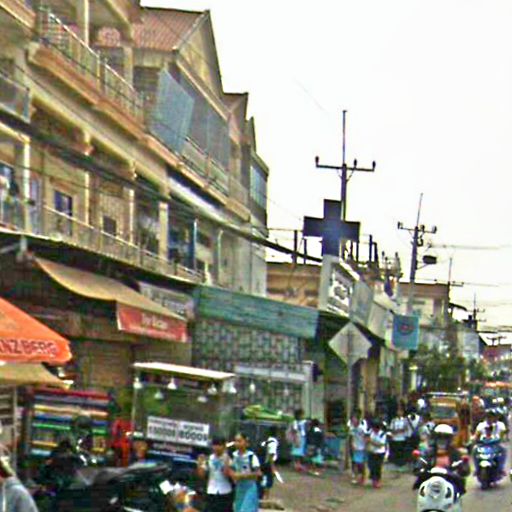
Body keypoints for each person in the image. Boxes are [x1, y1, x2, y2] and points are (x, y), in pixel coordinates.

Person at [415, 424, 469, 496]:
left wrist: (464, 468)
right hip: (430, 479)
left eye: (445, 438)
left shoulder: (455, 453)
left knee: (457, 488)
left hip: (449, 479)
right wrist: (418, 467)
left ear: (449, 439)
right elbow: (423, 460)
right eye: (439, 437)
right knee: (422, 490)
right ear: (435, 438)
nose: (442, 440)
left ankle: (455, 500)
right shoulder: (429, 452)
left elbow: (462, 465)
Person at [197, 437, 233, 512]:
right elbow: (201, 475)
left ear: (224, 446)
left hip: (225, 491)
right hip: (211, 490)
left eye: (219, 445)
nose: (217, 448)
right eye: (215, 445)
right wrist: (200, 464)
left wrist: (226, 460)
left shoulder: (229, 459)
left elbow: (227, 474)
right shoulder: (209, 459)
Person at [230, 433, 261, 512]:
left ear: (246, 442)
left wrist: (243, 476)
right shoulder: (234, 455)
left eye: (239, 441)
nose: (237, 443)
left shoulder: (251, 456)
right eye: (236, 441)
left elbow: (258, 473)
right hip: (239, 488)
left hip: (249, 488)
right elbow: (232, 469)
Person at [474, 409, 507, 476]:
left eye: (492, 416)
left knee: (504, 449)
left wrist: (503, 438)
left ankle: (501, 469)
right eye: (488, 416)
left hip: (496, 444)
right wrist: (475, 439)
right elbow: (476, 435)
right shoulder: (481, 425)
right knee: (474, 449)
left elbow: (503, 435)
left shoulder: (500, 425)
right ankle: (477, 469)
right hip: (483, 445)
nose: (490, 418)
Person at [366, 419, 387, 489]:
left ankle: (378, 481)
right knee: (371, 466)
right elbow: (366, 437)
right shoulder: (370, 432)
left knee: (377, 467)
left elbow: (381, 444)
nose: (374, 430)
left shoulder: (382, 434)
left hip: (380, 453)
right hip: (371, 452)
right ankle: (373, 479)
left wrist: (371, 441)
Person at [348, 411, 368, 485]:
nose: (353, 421)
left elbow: (366, 437)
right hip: (355, 448)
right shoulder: (352, 428)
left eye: (355, 419)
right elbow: (351, 438)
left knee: (361, 464)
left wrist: (365, 447)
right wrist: (351, 446)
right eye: (352, 419)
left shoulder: (362, 428)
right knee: (355, 463)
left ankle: (363, 477)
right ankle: (356, 477)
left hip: (361, 448)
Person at [389, 406, 410, 472]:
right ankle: (396, 465)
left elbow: (406, 428)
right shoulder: (394, 420)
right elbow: (391, 429)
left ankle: (401, 465)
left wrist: (399, 430)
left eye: (401, 411)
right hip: (395, 438)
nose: (399, 413)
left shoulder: (405, 420)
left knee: (401, 452)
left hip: (402, 438)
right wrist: (397, 431)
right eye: (398, 411)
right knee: (396, 452)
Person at [259, 428, 279, 499]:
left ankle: (262, 496)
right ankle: (266, 497)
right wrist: (273, 468)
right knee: (268, 482)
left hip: (262, 463)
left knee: (263, 480)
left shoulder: (266, 441)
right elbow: (271, 456)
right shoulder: (273, 443)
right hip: (267, 464)